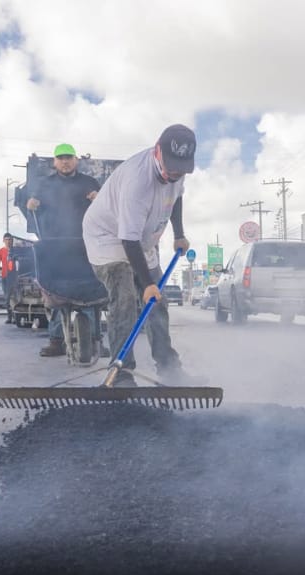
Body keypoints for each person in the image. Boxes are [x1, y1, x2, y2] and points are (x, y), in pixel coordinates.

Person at [83, 124, 196, 387]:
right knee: (125, 298)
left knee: (159, 303)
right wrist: (146, 285)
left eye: (181, 169)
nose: (175, 173)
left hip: (142, 238)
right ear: (157, 151)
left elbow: (176, 197)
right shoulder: (138, 182)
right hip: (108, 238)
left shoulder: (178, 170)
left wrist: (179, 233)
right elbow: (128, 240)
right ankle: (121, 373)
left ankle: (169, 369)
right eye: (170, 167)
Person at [26, 143, 101, 357]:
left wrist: (98, 198)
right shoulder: (44, 185)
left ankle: (96, 338)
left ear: (76, 160)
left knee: (91, 292)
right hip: (54, 245)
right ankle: (56, 340)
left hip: (85, 244)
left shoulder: (89, 182)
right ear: (54, 162)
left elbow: (107, 207)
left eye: (68, 157)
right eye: (61, 158)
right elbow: (28, 205)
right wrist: (30, 204)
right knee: (55, 291)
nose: (65, 161)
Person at [0, 233, 16, 322]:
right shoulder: (0, 251)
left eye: (10, 239)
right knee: (6, 297)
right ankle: (9, 317)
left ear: (12, 241)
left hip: (14, 277)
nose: (8, 241)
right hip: (4, 276)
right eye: (6, 239)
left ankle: (15, 317)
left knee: (13, 297)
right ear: (3, 240)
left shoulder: (16, 250)